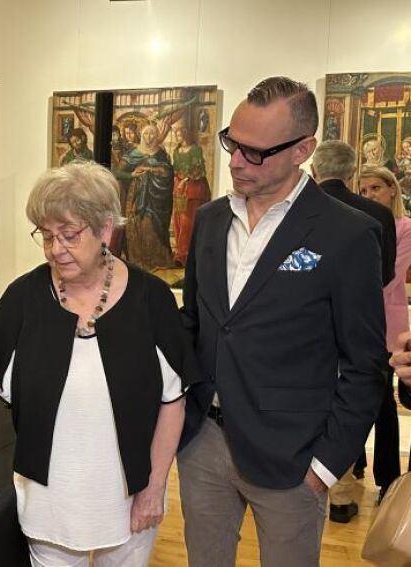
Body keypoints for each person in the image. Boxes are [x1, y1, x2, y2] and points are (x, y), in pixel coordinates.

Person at [178, 76, 385, 566]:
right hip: (203, 443)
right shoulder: (210, 220)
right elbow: (195, 324)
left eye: (254, 152)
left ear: (302, 150)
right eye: (232, 143)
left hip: (294, 456)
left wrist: (326, 466)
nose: (235, 161)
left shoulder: (348, 234)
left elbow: (365, 364)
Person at [0, 161, 197, 566]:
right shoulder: (25, 296)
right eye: (46, 235)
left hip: (129, 493)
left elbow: (174, 400)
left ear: (104, 230)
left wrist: (154, 489)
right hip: (50, 497)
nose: (55, 249)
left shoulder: (151, 299)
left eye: (69, 235)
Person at [310, 141, 397, 521]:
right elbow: (386, 274)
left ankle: (330, 485)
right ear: (351, 173)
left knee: (315, 400)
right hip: (358, 323)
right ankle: (351, 493)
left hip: (310, 325)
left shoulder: (299, 210)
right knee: (362, 397)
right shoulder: (377, 214)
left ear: (314, 170)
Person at [360, 165, 411, 470]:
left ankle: (387, 473)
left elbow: (389, 277)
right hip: (358, 322)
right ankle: (354, 464)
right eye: (363, 191)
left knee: (382, 401)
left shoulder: (405, 228)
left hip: (387, 325)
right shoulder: (360, 224)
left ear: (392, 189)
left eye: (376, 188)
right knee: (353, 393)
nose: (369, 195)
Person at [117, 122, 175, 269]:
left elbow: (169, 172)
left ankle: (156, 260)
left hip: (157, 199)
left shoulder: (161, 153)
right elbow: (117, 172)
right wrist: (132, 174)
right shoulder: (132, 153)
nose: (149, 137)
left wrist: (154, 170)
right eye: (146, 134)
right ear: (141, 135)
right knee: (138, 224)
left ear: (157, 136)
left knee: (152, 227)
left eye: (152, 134)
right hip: (136, 196)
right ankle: (137, 261)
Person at [170, 125, 212, 267]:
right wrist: (178, 181)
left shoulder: (195, 150)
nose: (178, 138)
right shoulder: (176, 151)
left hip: (194, 187)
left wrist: (185, 180)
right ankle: (179, 252)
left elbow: (199, 169)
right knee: (178, 221)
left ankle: (185, 255)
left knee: (187, 222)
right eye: (177, 135)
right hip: (179, 188)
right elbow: (176, 169)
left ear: (186, 135)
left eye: (180, 135)